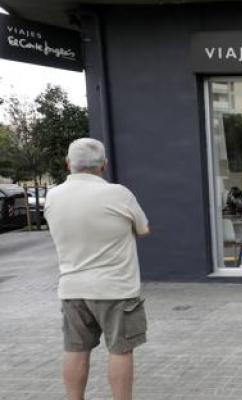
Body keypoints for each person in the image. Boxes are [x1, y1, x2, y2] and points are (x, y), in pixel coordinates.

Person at [44, 138, 150, 400]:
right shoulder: (119, 194)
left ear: (68, 164)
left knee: (76, 350)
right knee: (121, 350)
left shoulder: (53, 196)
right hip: (116, 288)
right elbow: (143, 230)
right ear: (104, 164)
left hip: (72, 288)